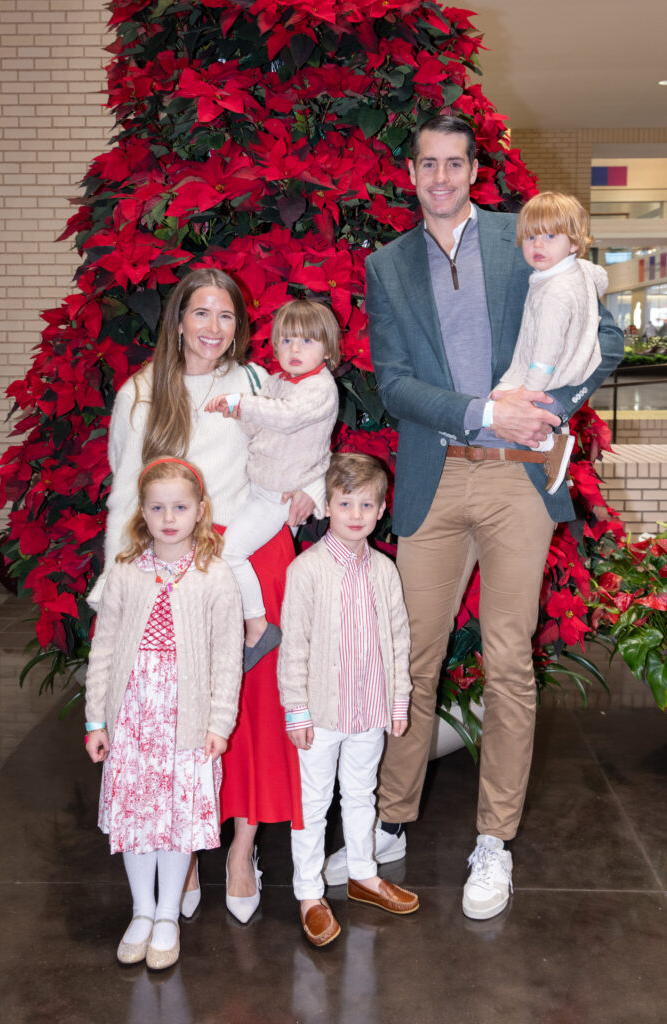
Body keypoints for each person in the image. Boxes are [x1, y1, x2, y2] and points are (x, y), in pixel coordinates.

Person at [324, 115, 624, 920]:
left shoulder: (517, 237)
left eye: (456, 162)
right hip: (434, 477)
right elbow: (391, 382)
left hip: (517, 484)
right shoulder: (386, 267)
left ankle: (493, 841)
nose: (443, 176)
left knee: (508, 660)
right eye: (430, 164)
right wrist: (481, 408)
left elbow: (607, 328)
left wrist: (553, 406)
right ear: (413, 172)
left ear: (472, 167)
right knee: (409, 659)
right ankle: (390, 819)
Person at [88, 268, 324, 924]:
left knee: (249, 718)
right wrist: (116, 591)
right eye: (201, 313)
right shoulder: (141, 393)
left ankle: (244, 847)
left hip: (252, 557)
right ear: (178, 320)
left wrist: (316, 492)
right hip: (172, 568)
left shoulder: (255, 383)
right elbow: (122, 499)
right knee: (178, 723)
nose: (213, 328)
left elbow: (304, 451)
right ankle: (185, 850)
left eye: (225, 315)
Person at [85, 457, 244, 968]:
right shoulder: (127, 572)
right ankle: (142, 910)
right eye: (158, 508)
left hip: (188, 715)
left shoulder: (215, 575)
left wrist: (220, 722)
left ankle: (169, 915)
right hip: (133, 714)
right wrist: (96, 720)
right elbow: (104, 650)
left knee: (176, 818)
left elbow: (227, 656)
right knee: (137, 815)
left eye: (180, 507)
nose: (169, 517)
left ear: (200, 511)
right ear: (144, 514)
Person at [278, 453, 418, 948]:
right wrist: (296, 709)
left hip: (370, 710)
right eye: (345, 503)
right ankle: (310, 894)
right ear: (328, 508)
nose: (355, 514)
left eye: (366, 504)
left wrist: (398, 701)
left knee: (362, 795)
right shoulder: (307, 570)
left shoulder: (384, 569)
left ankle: (362, 874)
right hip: (320, 713)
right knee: (313, 805)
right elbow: (293, 646)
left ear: (381, 510)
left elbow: (399, 638)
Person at [205, 299, 340, 672]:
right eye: (286, 341)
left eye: (307, 341)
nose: (294, 350)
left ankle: (257, 626)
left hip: (278, 497)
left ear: (327, 349)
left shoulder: (319, 388)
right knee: (227, 555)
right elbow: (259, 426)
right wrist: (240, 413)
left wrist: (242, 404)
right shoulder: (277, 381)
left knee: (230, 553)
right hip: (260, 488)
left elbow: (287, 417)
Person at [493, 191, 609, 495]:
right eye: (530, 237)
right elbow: (599, 276)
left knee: (507, 403)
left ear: (573, 243)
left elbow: (545, 350)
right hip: (580, 358)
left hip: (553, 370)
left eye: (550, 235)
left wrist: (529, 389)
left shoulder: (552, 292)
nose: (538, 245)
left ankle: (550, 442)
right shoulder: (579, 270)